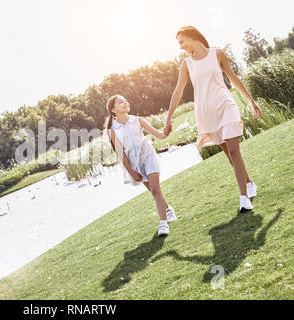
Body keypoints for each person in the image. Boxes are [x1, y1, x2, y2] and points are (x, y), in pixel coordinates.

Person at [164, 26, 261, 213]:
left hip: (225, 105)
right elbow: (178, 91)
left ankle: (244, 198)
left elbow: (233, 78)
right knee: (229, 153)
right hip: (206, 113)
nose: (180, 46)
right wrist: (168, 117)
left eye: (181, 41)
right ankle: (248, 182)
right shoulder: (186, 64)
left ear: (193, 37)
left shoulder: (217, 54)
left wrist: (250, 100)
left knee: (233, 149)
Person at [105, 94, 176, 236]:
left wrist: (166, 132)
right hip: (135, 164)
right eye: (120, 102)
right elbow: (120, 154)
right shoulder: (112, 130)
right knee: (154, 191)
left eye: (125, 100)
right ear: (113, 110)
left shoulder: (137, 120)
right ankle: (168, 209)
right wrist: (131, 172)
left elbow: (160, 135)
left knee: (156, 189)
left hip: (149, 156)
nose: (125, 103)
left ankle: (163, 224)